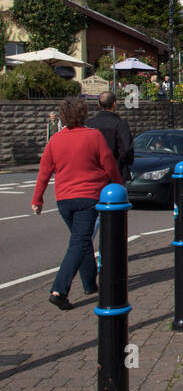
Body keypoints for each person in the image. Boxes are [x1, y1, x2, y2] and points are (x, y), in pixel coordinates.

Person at [31, 97, 123, 310]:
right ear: (83, 115)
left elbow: (44, 171)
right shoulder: (94, 136)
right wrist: (118, 186)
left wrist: (37, 199)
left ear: (62, 117)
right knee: (80, 242)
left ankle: (90, 283)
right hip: (88, 197)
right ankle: (59, 290)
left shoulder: (55, 140)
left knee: (81, 241)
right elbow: (108, 164)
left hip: (64, 199)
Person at [86, 91, 135, 181]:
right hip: (115, 172)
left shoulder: (89, 124)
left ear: (98, 105)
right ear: (114, 104)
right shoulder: (120, 124)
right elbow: (127, 149)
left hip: (93, 172)